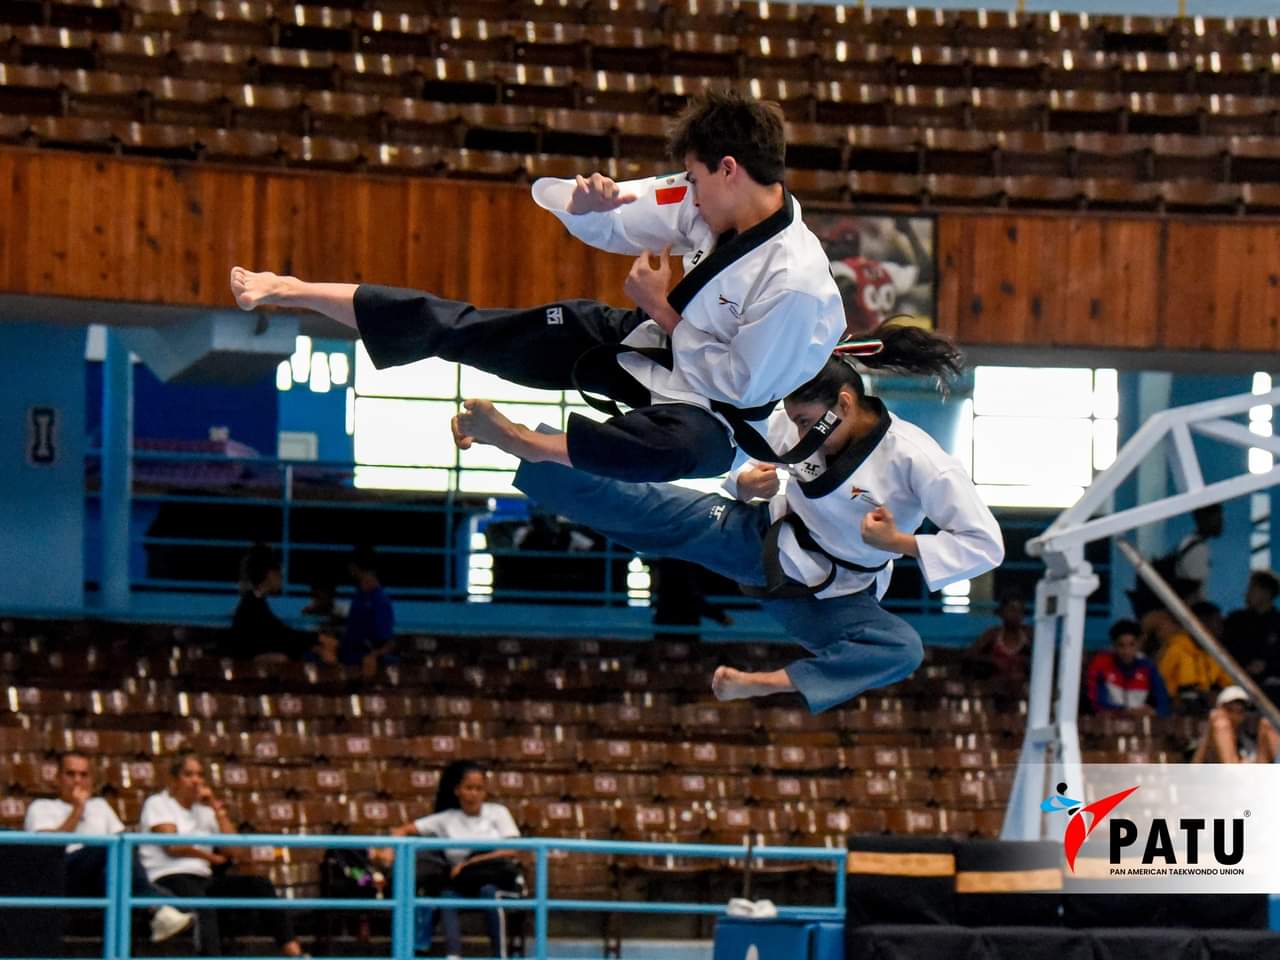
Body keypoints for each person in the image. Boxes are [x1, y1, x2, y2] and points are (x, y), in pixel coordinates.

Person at [231, 90, 849, 485]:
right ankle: (294, 288)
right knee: (469, 329)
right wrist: (585, 205)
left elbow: (739, 386)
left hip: (718, 418)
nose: (685, 188)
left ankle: (520, 440)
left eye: (693, 176)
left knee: (666, 453)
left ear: (729, 169)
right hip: (649, 344)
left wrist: (662, 309)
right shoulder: (704, 197)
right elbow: (604, 212)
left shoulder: (794, 284)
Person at [456, 335, 1004, 713]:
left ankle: (766, 684)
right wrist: (745, 484)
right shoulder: (795, 421)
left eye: (807, 422)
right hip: (761, 539)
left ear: (843, 403)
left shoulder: (919, 460)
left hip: (835, 595)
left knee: (901, 649)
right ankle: (517, 441)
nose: (799, 433)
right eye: (794, 421)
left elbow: (985, 545)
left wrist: (899, 542)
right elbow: (738, 463)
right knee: (642, 510)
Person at [138, 753, 307, 958]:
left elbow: (235, 850)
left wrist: (217, 810)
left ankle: (295, 953)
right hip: (168, 877)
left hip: (202, 878)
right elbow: (173, 846)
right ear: (174, 780)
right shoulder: (158, 803)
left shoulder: (204, 810)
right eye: (188, 775)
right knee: (205, 907)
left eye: (200, 775)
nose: (196, 781)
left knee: (260, 885)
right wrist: (210, 858)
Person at [23, 752, 194, 944]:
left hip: (102, 876)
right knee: (106, 846)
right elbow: (47, 850)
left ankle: (159, 912)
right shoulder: (41, 807)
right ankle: (154, 908)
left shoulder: (100, 806)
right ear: (57, 778)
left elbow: (124, 844)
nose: (78, 781)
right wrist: (78, 809)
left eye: (83, 775)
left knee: (182, 905)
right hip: (63, 874)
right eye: (70, 774)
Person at [381, 761, 523, 960]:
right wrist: (389, 850)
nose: (474, 794)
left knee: (489, 893)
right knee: (447, 896)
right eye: (469, 788)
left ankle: (500, 956)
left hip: (498, 880)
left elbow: (512, 850)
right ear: (457, 790)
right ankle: (453, 956)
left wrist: (468, 863)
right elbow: (402, 830)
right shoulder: (446, 819)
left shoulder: (498, 812)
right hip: (465, 882)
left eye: (479, 789)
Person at [223, 543, 336, 663]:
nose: (282, 580)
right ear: (270, 575)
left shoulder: (254, 602)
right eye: (280, 575)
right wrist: (317, 638)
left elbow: (279, 632)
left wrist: (315, 640)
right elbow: (279, 634)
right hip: (245, 666)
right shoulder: (253, 606)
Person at [1152, 602, 1232, 712]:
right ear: (1202, 623)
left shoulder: (1215, 651)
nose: (1221, 627)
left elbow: (1228, 683)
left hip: (1203, 704)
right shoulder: (1176, 648)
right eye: (1217, 622)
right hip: (1176, 705)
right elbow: (1159, 683)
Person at [1085, 619, 1171, 717]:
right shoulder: (1101, 665)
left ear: (1138, 645)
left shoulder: (1148, 668)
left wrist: (1153, 712)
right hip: (1108, 723)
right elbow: (1096, 704)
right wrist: (1125, 712)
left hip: (1139, 723)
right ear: (1114, 645)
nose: (1127, 651)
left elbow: (1164, 705)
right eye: (1121, 645)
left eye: (1132, 645)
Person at [340, 544, 396, 679]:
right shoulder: (358, 597)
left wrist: (372, 656)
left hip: (362, 666)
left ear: (354, 567)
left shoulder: (379, 601)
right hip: (347, 661)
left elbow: (389, 643)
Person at [1191, 685, 1280, 763]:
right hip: (1224, 771)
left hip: (1251, 771)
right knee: (1221, 725)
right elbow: (1195, 766)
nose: (1234, 716)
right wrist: (1210, 728)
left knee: (1268, 724)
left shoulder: (1247, 735)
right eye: (1230, 710)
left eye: (1239, 711)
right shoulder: (1217, 728)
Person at [1224, 570, 1280, 689]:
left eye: (1252, 589)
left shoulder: (1277, 624)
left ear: (1266, 593)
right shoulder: (1235, 621)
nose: (1246, 594)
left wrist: (1267, 666)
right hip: (1235, 682)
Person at [966, 590, 1031, 687]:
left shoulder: (1029, 635)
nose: (1016, 615)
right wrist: (993, 661)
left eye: (1020, 611)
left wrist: (1023, 662)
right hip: (995, 687)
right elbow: (969, 655)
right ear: (1001, 613)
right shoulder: (993, 634)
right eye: (1012, 609)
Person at [1173, 504, 1223, 604]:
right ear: (1204, 518)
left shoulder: (1189, 543)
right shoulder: (1198, 548)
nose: (1221, 522)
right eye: (1218, 517)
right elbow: (1194, 593)